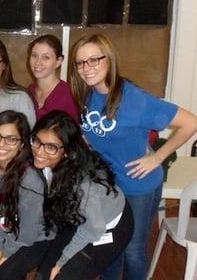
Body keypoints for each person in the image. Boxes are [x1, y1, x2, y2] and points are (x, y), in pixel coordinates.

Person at [68, 34, 197, 280]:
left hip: (138, 186)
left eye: (94, 60)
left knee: (132, 250)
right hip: (108, 186)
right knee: (109, 246)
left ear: (109, 60)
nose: (87, 68)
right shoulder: (88, 95)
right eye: (80, 63)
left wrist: (157, 157)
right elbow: (97, 132)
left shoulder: (133, 98)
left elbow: (191, 123)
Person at [32, 110, 133, 280]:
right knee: (43, 275)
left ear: (67, 151)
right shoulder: (49, 163)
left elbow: (94, 230)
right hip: (81, 216)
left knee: (64, 276)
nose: (39, 152)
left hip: (109, 227)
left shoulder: (83, 185)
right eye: (37, 141)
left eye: (51, 147)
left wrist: (62, 262)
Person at [0, 110, 52, 280]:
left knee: (1, 275)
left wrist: (4, 253)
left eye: (11, 139)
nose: (2, 144)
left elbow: (28, 233)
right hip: (1, 232)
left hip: (33, 239)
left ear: (22, 144)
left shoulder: (30, 180)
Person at [27, 34, 78, 122]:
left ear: (58, 62)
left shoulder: (68, 94)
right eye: (34, 55)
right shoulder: (29, 91)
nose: (38, 63)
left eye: (46, 57)